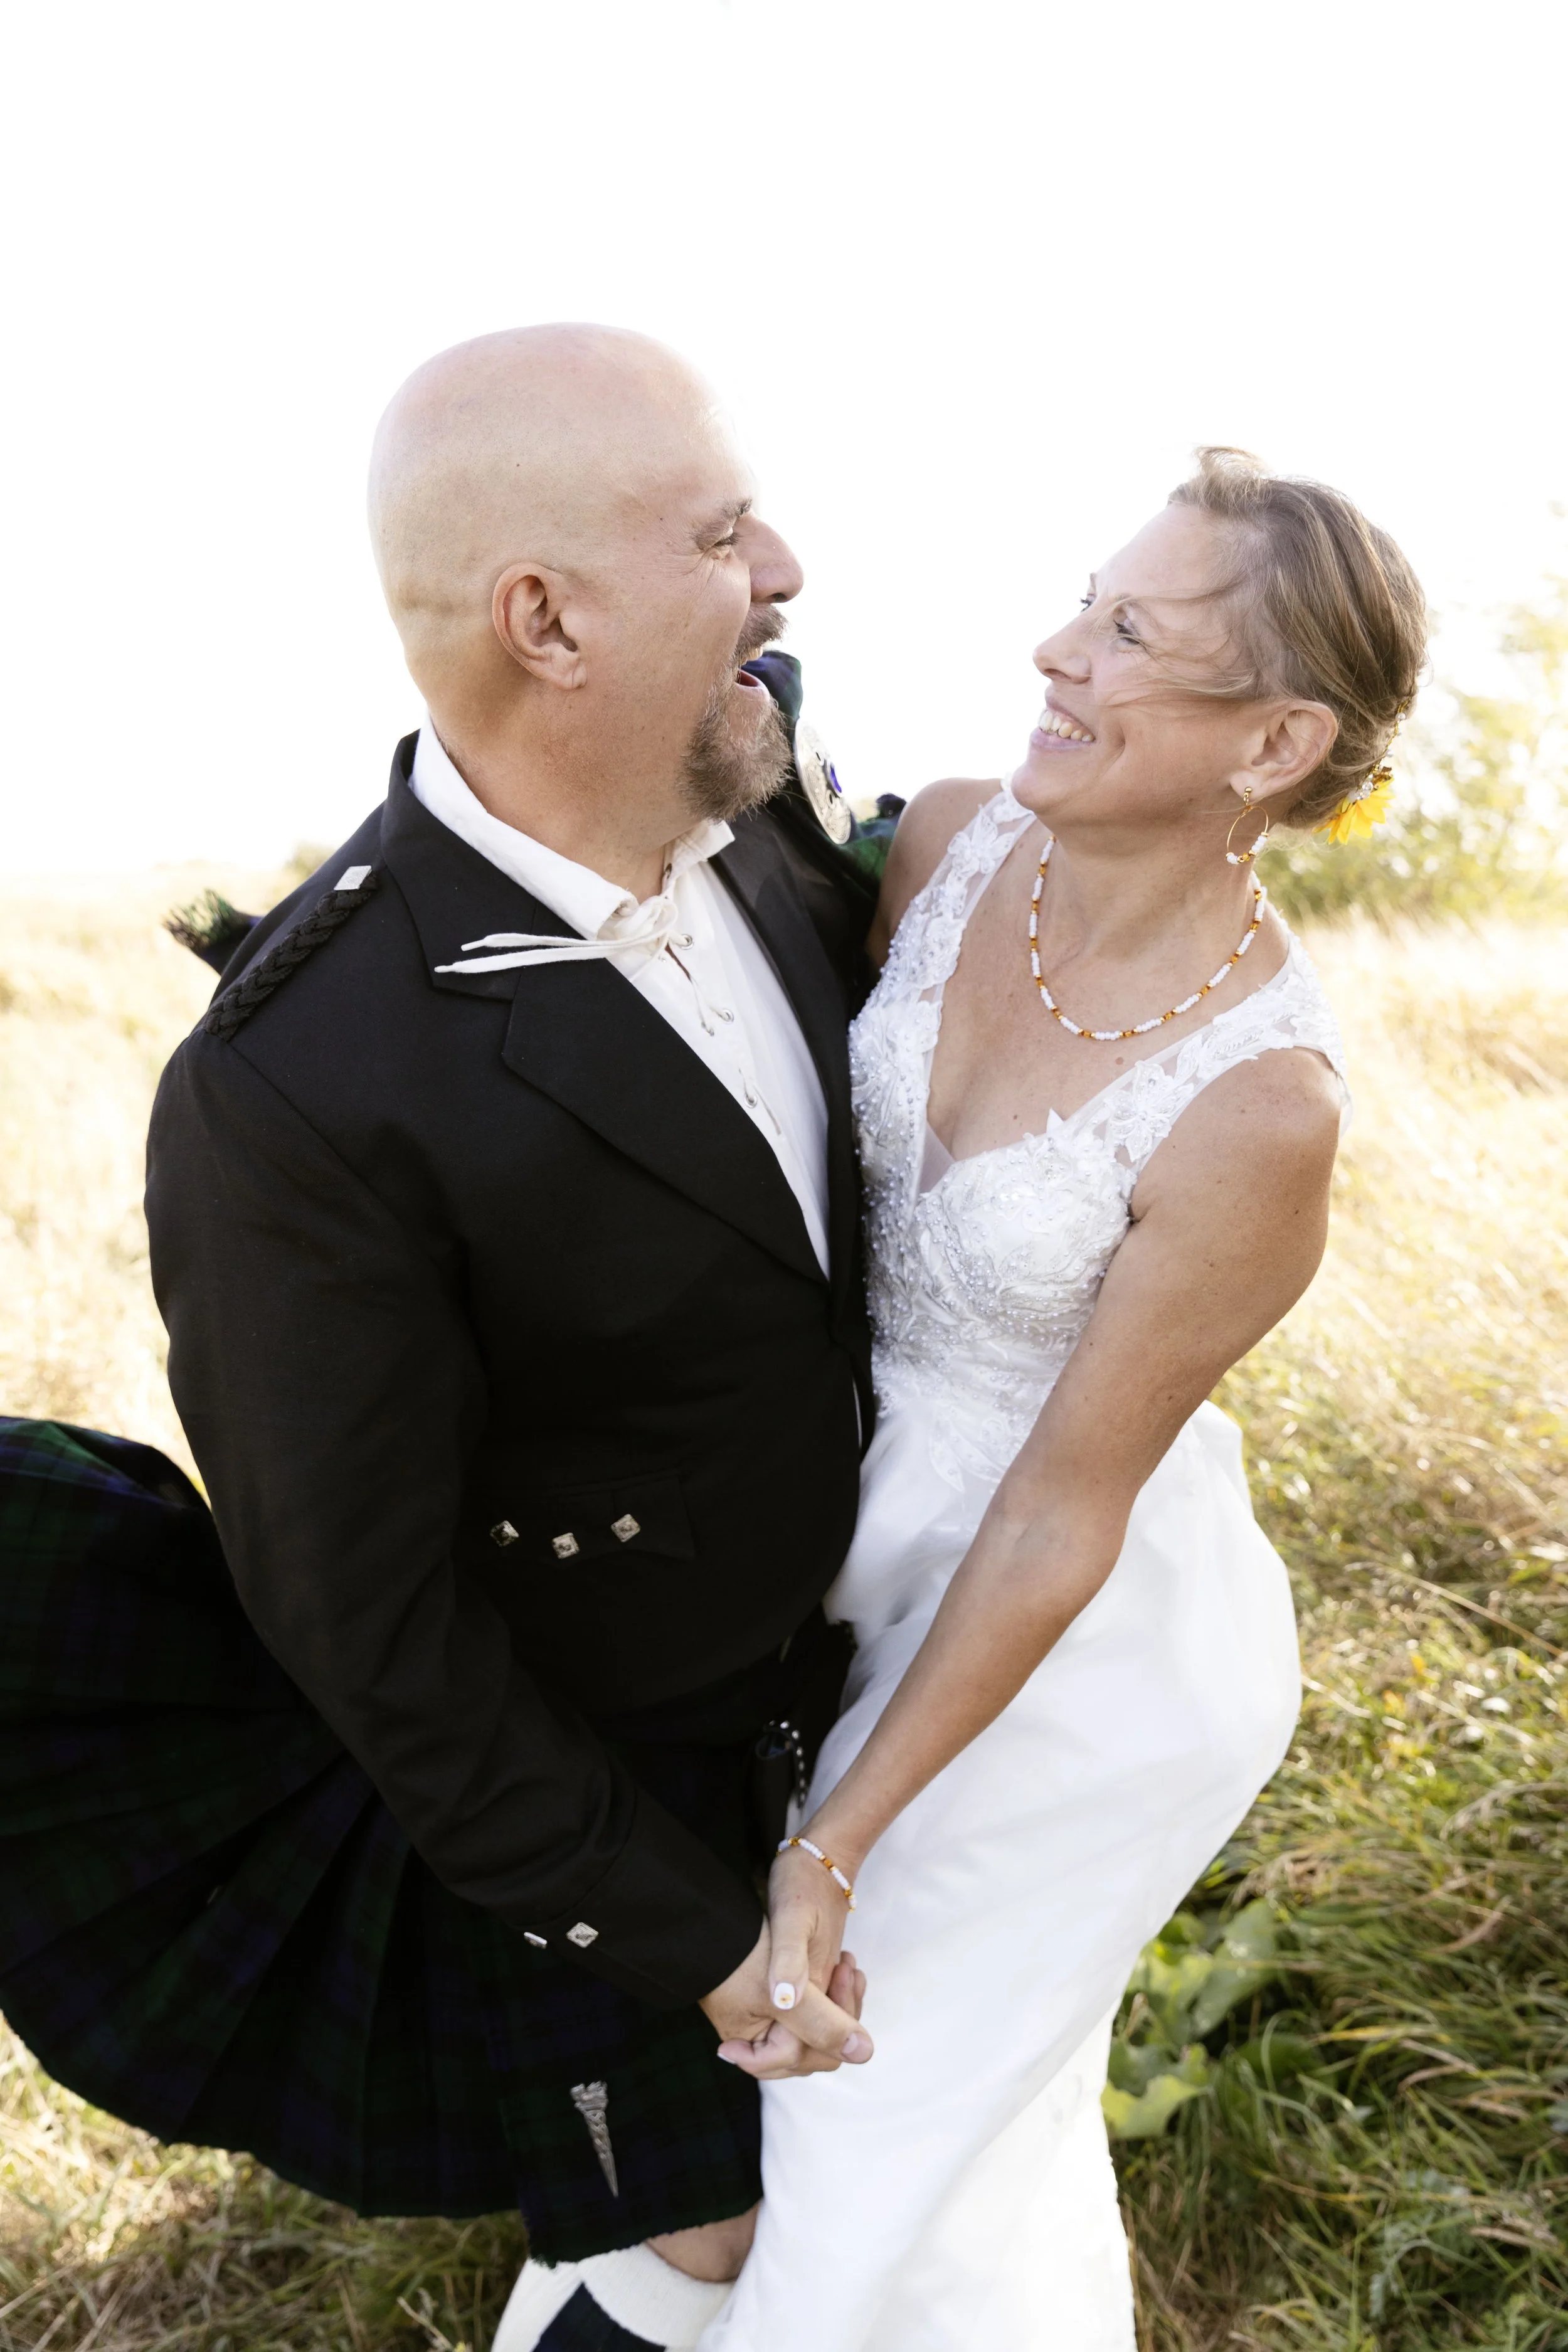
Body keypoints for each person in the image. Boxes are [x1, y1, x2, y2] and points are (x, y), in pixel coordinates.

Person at [0, 326, 879, 2352]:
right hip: (622, 1783)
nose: (784, 570)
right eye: (718, 533)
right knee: (710, 2251)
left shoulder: (763, 815)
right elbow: (374, 1634)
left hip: (890, 1704)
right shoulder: (298, 1087)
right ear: (543, 622)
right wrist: (698, 1944)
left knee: (898, 2199)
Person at [699, 449, 1427, 2351]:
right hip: (844, 1528)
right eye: (1086, 602)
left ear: (1274, 743)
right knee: (914, 2117)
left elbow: (1057, 1512)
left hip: (1078, 1654)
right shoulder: (944, 847)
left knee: (861, 2109)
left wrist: (834, 1838)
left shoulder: (1262, 1108)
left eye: (1130, 634)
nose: (1055, 650)